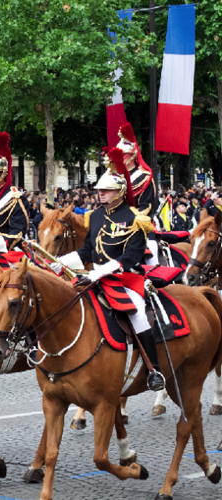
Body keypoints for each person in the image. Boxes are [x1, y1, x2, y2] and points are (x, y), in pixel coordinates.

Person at [60, 146, 164, 392]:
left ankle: (154, 369)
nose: (101, 194)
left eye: (106, 190)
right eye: (100, 190)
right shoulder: (95, 216)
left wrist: (104, 270)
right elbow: (87, 251)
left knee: (137, 313)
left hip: (124, 278)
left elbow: (133, 255)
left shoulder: (135, 217)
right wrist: (63, 261)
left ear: (119, 192)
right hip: (95, 276)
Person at [114, 123, 159, 264]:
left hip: (139, 225)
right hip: (114, 224)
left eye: (123, 155)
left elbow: (147, 206)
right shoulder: (115, 177)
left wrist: (129, 219)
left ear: (132, 155)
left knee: (151, 249)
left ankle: (154, 278)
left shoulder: (144, 177)